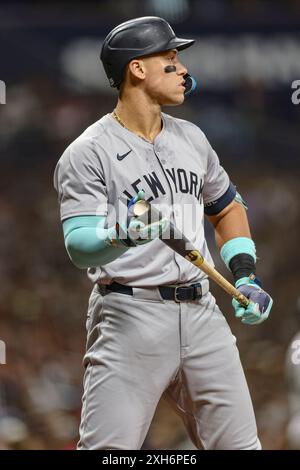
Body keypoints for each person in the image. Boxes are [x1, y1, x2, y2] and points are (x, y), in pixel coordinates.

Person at [53, 16, 273, 450]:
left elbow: (226, 207)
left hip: (202, 311)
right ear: (137, 69)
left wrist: (245, 274)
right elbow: (79, 247)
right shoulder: (88, 151)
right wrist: (123, 234)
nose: (184, 70)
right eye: (171, 60)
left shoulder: (192, 138)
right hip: (130, 314)